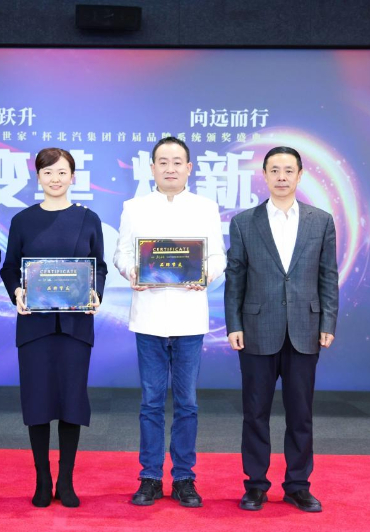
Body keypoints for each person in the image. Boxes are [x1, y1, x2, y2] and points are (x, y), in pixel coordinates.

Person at [113, 137, 226, 508]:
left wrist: (204, 274)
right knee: (150, 402)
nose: (170, 168)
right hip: (148, 317)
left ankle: (184, 478)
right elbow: (121, 254)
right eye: (163, 162)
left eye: (178, 162)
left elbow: (218, 257)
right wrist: (132, 271)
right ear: (152, 168)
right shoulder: (134, 207)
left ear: (189, 168)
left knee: (187, 403)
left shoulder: (206, 207)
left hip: (189, 317)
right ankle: (149, 477)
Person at [225, 146, 339, 513]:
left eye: (289, 170)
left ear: (300, 175)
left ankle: (298, 485)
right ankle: (255, 485)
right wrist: (234, 324)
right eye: (274, 170)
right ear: (264, 175)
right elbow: (235, 277)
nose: (281, 177)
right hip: (256, 328)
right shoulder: (244, 222)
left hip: (305, 328)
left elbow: (328, 276)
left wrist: (327, 321)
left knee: (301, 414)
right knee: (255, 413)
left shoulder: (321, 221)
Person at [0, 147, 106, 508]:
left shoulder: (88, 219)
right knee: (39, 401)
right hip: (35, 327)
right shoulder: (23, 220)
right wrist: (17, 292)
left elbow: (99, 266)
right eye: (48, 172)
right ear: (38, 177)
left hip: (75, 325)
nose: (55, 179)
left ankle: (66, 480)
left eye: (62, 172)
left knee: (72, 401)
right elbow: (9, 267)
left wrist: (96, 291)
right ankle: (42, 479)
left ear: (72, 177)